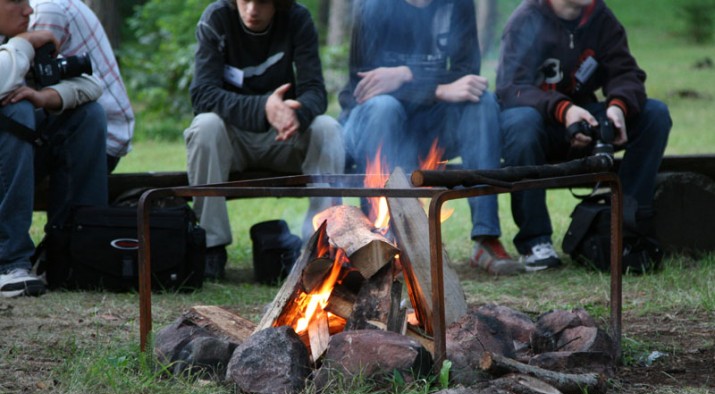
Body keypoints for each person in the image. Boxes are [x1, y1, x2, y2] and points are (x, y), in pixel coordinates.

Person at [340, 0, 523, 276]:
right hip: (373, 122)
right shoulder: (372, 6)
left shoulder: (457, 4)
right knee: (384, 107)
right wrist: (438, 87)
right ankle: (382, 237)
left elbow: (466, 73)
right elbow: (364, 86)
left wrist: (406, 75)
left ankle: (486, 238)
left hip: (431, 124)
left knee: (480, 101)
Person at [497, 0, 672, 271]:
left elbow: (626, 73)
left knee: (655, 114)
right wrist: (563, 110)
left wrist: (617, 107)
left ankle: (624, 225)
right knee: (521, 123)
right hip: (539, 123)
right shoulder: (526, 18)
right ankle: (535, 240)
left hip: (584, 118)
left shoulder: (600, 17)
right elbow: (510, 87)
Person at [186, 0, 345, 280]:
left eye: (261, 2)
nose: (252, 10)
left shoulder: (297, 18)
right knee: (204, 125)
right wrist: (263, 108)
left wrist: (298, 114)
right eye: (245, 0)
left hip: (285, 137)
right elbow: (202, 94)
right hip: (232, 140)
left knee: (328, 128)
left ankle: (323, 242)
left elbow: (315, 92)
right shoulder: (217, 18)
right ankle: (210, 247)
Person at [0, 0, 108, 297]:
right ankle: (8, 263)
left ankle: (76, 256)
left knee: (88, 115)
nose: (29, 10)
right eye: (15, 2)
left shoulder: (12, 42)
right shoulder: (19, 44)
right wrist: (22, 44)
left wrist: (47, 96)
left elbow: (92, 84)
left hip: (16, 162)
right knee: (16, 111)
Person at [29, 0, 135, 172]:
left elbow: (30, 83)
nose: (25, 10)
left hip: (101, 136)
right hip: (92, 124)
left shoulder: (44, 10)